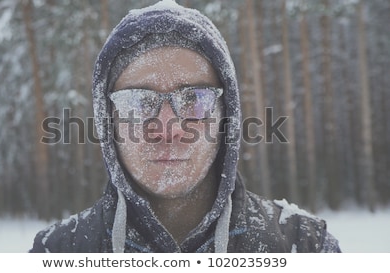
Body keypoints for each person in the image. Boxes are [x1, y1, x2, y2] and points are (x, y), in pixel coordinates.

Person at [29, 0, 341, 253]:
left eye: (195, 98)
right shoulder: (58, 252)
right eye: (138, 101)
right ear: (108, 120)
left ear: (225, 116)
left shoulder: (305, 246)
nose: (169, 128)